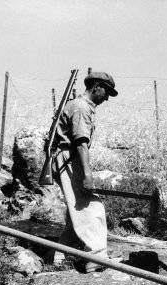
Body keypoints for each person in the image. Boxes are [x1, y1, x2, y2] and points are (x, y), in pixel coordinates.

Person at [51, 72, 118, 273]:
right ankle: (96, 257)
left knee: (77, 210)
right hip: (70, 159)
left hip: (66, 158)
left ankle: (60, 256)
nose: (107, 98)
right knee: (92, 207)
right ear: (96, 86)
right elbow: (81, 144)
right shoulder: (81, 107)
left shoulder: (79, 105)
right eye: (106, 92)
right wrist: (87, 176)